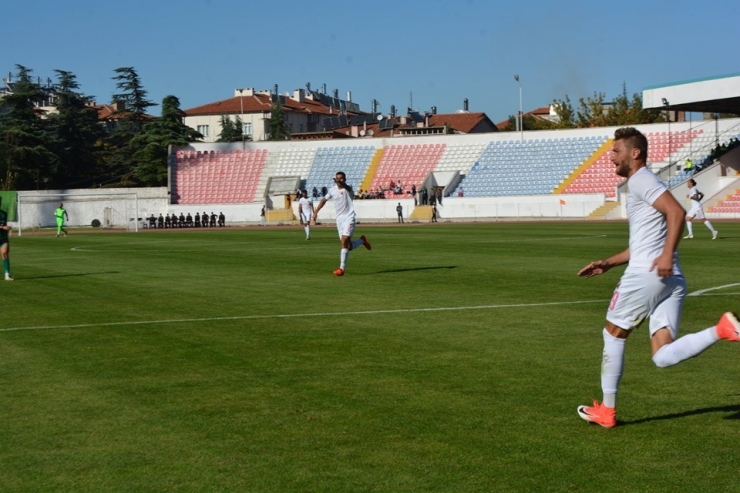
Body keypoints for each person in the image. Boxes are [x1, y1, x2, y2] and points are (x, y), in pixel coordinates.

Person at [575, 127, 739, 429]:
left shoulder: (641, 179)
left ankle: (606, 412)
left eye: (616, 151)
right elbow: (642, 243)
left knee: (613, 334)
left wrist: (664, 255)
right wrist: (608, 263)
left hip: (648, 274)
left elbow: (676, 212)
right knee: (662, 355)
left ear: (634, 153)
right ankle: (723, 329)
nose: (611, 156)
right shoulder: (640, 183)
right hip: (671, 278)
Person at [312, 171, 371, 276]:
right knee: (347, 246)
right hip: (339, 220)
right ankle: (362, 240)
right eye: (337, 178)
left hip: (349, 218)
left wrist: (340, 182)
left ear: (345, 179)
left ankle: (341, 269)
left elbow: (345, 186)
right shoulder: (332, 190)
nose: (339, 180)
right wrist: (316, 212)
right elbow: (323, 200)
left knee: (344, 240)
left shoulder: (348, 188)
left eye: (341, 178)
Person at [0, 197, 13, 280]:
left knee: (5, 254)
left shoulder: (3, 213)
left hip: (3, 237)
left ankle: (7, 275)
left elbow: (4, 225)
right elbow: (2, 226)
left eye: (0, 201)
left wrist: (7, 228)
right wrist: (2, 227)